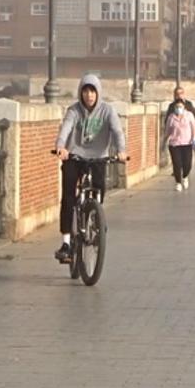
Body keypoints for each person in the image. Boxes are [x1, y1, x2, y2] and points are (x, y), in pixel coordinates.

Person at [54, 74, 128, 262]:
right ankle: (66, 243)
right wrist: (61, 147)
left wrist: (121, 151)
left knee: (99, 187)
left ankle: (96, 218)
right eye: (86, 91)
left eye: (93, 91)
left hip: (98, 157)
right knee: (69, 196)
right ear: (81, 92)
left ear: (98, 93)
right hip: (74, 156)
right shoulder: (74, 111)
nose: (89, 95)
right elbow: (66, 129)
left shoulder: (107, 111)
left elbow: (118, 132)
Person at [166, 99, 195, 191]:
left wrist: (194, 139)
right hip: (174, 143)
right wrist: (164, 141)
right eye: (176, 107)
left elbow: (194, 127)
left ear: (184, 107)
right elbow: (167, 130)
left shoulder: (189, 115)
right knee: (177, 163)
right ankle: (178, 182)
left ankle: (185, 176)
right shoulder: (171, 117)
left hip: (187, 143)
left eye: (180, 107)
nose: (178, 109)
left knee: (187, 164)